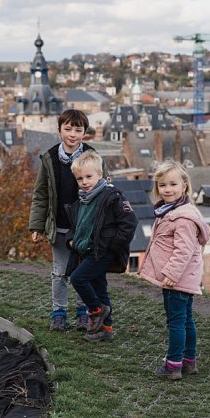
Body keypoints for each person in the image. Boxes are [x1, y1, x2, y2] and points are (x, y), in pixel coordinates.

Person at [28, 108, 108, 331]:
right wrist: (37, 224)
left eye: (78, 130)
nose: (72, 134)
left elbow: (106, 190)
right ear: (59, 130)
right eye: (68, 129)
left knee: (83, 272)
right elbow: (41, 193)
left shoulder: (94, 157)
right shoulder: (50, 158)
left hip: (86, 228)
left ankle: (83, 311)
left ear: (84, 133)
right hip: (60, 226)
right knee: (60, 271)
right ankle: (58, 312)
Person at [138, 159, 210, 380]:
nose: (167, 189)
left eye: (172, 184)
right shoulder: (172, 211)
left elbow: (184, 250)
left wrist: (171, 273)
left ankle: (173, 365)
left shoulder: (182, 217)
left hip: (177, 278)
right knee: (186, 319)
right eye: (162, 185)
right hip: (182, 277)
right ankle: (189, 362)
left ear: (184, 186)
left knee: (177, 321)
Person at [65, 151, 137, 342]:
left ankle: (97, 310)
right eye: (80, 178)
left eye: (89, 177)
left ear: (100, 175)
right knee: (99, 287)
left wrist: (113, 246)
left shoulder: (111, 196)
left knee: (78, 278)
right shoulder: (82, 200)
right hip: (88, 250)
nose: (85, 182)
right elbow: (77, 225)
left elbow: (129, 223)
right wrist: (71, 240)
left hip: (103, 251)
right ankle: (105, 329)